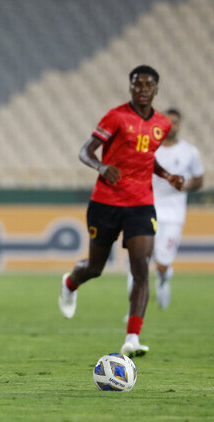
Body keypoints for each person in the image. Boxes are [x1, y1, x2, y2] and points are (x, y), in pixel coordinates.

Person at [57, 65, 184, 358]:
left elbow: (147, 157)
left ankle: (132, 338)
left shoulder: (161, 124)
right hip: (106, 202)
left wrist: (166, 176)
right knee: (95, 268)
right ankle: (70, 283)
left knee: (141, 267)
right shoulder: (116, 117)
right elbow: (85, 151)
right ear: (129, 88)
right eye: (136, 85)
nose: (142, 90)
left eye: (147, 85)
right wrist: (102, 167)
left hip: (140, 204)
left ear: (156, 89)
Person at [144, 109, 204, 308]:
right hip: (148, 210)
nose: (172, 125)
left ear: (179, 126)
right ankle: (135, 305)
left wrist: (184, 186)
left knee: (161, 263)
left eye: (175, 122)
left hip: (174, 215)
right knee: (140, 258)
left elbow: (199, 179)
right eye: (168, 122)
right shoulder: (150, 148)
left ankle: (163, 280)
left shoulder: (189, 151)